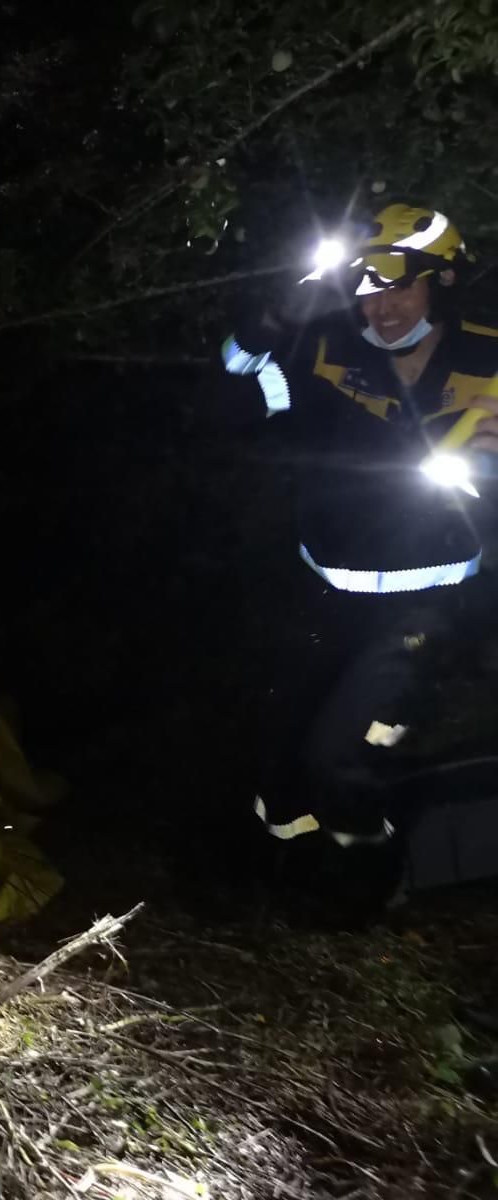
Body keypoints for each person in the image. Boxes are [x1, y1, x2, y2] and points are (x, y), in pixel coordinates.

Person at [220, 202, 498, 911]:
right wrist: (282, 311)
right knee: (275, 749)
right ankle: (281, 886)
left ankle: (374, 885)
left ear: (441, 282)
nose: (384, 303)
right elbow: (235, 376)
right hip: (321, 593)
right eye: (367, 286)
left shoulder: (489, 358)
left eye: (402, 284)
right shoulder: (327, 349)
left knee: (343, 758)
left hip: (424, 606)